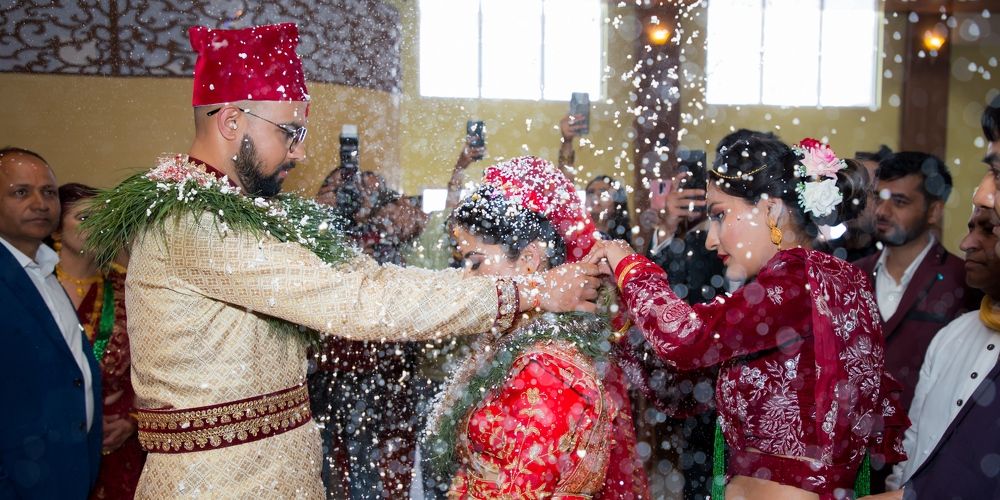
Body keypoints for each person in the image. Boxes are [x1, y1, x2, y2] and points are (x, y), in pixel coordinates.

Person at [80, 23, 601, 498]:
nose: (301, 153)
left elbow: (370, 278)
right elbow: (358, 302)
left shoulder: (253, 216)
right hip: (214, 485)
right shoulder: (191, 223)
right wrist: (529, 292)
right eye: (292, 131)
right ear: (234, 119)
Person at [587, 137, 906, 499]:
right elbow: (682, 393)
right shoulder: (826, 280)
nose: (710, 240)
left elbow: (687, 340)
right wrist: (618, 313)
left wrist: (628, 264)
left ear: (771, 211)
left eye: (720, 215)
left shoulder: (797, 280)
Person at [427, 155, 649, 499]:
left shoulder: (547, 370)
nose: (467, 280)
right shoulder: (512, 341)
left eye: (476, 263)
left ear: (530, 259)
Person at [0, 148, 102, 497]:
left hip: (69, 476)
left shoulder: (45, 272)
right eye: (20, 192)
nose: (40, 203)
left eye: (48, 192)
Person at [853, 152, 980, 412]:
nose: (882, 211)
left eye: (899, 202)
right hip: (855, 439)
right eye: (879, 198)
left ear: (933, 211)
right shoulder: (853, 276)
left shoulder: (962, 281)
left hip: (924, 438)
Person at [885, 202, 1000, 490]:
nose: (966, 243)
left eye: (988, 231)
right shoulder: (954, 334)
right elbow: (912, 440)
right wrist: (896, 492)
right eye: (971, 228)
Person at [53, 183, 145, 499]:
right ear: (56, 227)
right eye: (83, 217)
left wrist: (134, 421)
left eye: (105, 219)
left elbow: (155, 368)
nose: (96, 227)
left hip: (115, 449)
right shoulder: (33, 288)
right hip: (44, 449)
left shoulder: (130, 291)